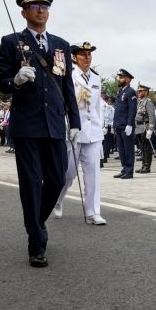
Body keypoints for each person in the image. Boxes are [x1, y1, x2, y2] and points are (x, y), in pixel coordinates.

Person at [0, 0, 81, 267]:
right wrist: (16, 81)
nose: (41, 10)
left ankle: (36, 222)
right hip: (27, 126)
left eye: (45, 6)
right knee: (31, 185)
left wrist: (75, 121)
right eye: (35, 6)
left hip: (55, 124)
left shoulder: (60, 45)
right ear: (24, 12)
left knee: (58, 179)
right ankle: (36, 242)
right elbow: (3, 83)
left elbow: (66, 85)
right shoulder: (11, 42)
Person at [54, 41, 106, 224]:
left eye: (89, 54)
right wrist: (66, 127)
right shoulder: (68, 76)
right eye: (83, 54)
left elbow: (98, 107)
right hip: (73, 132)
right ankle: (57, 200)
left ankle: (93, 212)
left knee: (93, 174)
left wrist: (102, 127)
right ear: (74, 58)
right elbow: (63, 105)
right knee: (68, 174)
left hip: (93, 133)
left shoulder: (96, 78)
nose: (87, 57)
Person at [113, 69, 137, 179]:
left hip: (126, 125)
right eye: (119, 77)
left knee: (128, 149)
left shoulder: (130, 92)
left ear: (127, 79)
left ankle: (129, 170)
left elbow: (132, 109)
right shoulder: (121, 92)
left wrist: (130, 124)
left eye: (121, 77)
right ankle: (124, 168)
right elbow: (118, 110)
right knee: (121, 149)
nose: (119, 79)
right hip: (119, 125)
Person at [134, 84, 156, 174]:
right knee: (142, 148)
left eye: (140, 91)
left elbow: (151, 116)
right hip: (139, 127)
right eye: (138, 91)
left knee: (147, 148)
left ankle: (147, 166)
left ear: (146, 92)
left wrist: (151, 129)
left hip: (145, 127)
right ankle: (143, 165)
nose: (138, 92)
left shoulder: (148, 102)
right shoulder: (140, 102)